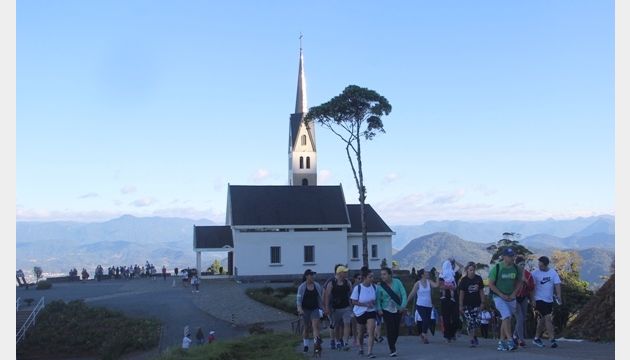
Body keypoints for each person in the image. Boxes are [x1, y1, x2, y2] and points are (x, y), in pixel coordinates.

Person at [487, 247, 522, 351]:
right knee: (506, 316)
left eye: (513, 256)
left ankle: (501, 342)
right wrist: (501, 294)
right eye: (510, 256)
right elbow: (491, 284)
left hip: (511, 297)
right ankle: (510, 340)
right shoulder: (497, 268)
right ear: (504, 257)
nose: (513, 258)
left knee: (507, 319)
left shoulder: (516, 268)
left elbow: (519, 281)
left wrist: (514, 293)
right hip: (498, 297)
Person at [531, 255, 562, 348]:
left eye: (541, 266)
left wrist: (559, 295)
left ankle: (536, 338)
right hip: (539, 299)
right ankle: (552, 339)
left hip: (549, 300)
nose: (539, 267)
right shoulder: (535, 273)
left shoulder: (553, 273)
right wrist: (532, 299)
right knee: (548, 318)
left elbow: (557, 284)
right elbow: (531, 287)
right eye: (539, 265)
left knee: (543, 320)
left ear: (546, 265)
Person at [376, 266, 408, 357]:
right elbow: (377, 299)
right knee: (390, 328)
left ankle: (392, 343)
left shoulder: (397, 282)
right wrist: (379, 309)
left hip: (398, 309)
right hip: (386, 310)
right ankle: (392, 348)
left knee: (396, 330)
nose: (382, 276)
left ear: (390, 275)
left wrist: (403, 306)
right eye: (381, 274)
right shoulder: (380, 286)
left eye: (384, 274)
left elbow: (404, 294)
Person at [323, 265, 353, 351]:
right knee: (336, 326)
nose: (347, 273)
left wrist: (352, 306)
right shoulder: (332, 283)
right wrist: (327, 307)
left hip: (346, 307)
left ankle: (345, 342)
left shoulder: (348, 282)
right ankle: (336, 341)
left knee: (347, 324)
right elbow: (327, 296)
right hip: (335, 308)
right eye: (345, 272)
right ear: (340, 273)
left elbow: (351, 294)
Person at [406, 268, 439, 344]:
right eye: (426, 272)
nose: (428, 273)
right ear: (422, 275)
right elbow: (412, 293)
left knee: (426, 320)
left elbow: (436, 285)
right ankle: (424, 335)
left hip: (429, 305)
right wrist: (406, 302)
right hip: (420, 305)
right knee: (425, 319)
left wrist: (437, 276)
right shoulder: (418, 283)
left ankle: (422, 335)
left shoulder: (429, 282)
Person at [350, 268, 378, 358]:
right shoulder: (358, 288)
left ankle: (370, 351)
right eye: (370, 277)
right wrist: (364, 304)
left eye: (372, 277)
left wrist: (374, 303)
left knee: (371, 331)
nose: (372, 278)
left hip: (371, 311)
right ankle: (361, 347)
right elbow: (353, 301)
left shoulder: (374, 287)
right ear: (365, 278)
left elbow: (377, 299)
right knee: (361, 332)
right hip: (360, 312)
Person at [458, 262, 485, 347]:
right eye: (470, 270)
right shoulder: (464, 280)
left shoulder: (478, 279)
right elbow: (461, 293)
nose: (472, 271)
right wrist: (460, 305)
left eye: (473, 270)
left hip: (477, 304)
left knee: (477, 322)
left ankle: (474, 335)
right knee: (470, 322)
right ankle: (472, 340)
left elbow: (481, 291)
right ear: (467, 270)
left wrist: (482, 302)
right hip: (467, 305)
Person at [296, 269, 323, 353]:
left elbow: (320, 297)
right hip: (305, 310)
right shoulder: (302, 287)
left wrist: (322, 308)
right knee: (306, 327)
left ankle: (316, 345)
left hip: (314, 309)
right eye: (311, 275)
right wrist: (299, 309)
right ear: (307, 276)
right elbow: (298, 300)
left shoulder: (317, 285)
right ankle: (306, 345)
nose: (313, 277)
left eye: (313, 275)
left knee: (315, 327)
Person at [513, 255, 535, 347]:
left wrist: (526, 281)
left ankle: (514, 335)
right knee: (520, 318)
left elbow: (531, 288)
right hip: (514, 298)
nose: (522, 266)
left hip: (524, 298)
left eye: (523, 264)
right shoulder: (512, 273)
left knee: (522, 319)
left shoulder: (528, 275)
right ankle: (521, 340)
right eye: (520, 264)